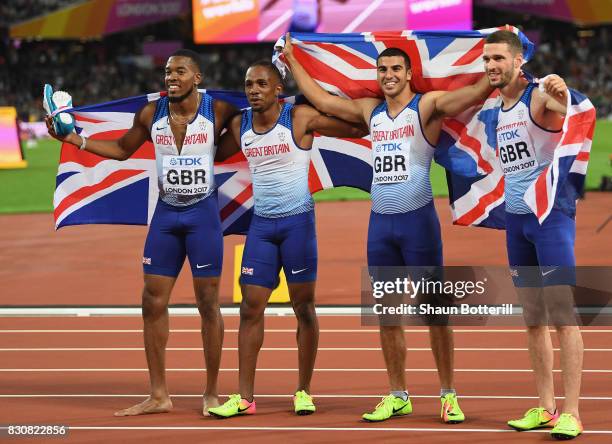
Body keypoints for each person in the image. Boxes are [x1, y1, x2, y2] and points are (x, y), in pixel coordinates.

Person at [282, 33, 494, 423]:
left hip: (418, 222)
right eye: (382, 69)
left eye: (396, 68)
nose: (388, 75)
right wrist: (293, 59)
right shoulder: (370, 110)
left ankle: (448, 394)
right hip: (380, 225)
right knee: (388, 314)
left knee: (435, 312)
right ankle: (398, 393)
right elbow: (324, 101)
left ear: (410, 73)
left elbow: (470, 95)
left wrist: (496, 65)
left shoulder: (426, 105)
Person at [45, 49, 238, 417]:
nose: (171, 77)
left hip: (203, 217)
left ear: (197, 78)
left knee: (208, 305)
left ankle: (211, 393)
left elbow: (254, 127)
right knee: (151, 301)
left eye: (180, 71)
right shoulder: (151, 114)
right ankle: (159, 394)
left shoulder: (220, 111)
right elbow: (121, 149)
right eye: (167, 72)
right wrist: (74, 141)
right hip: (166, 216)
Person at [207, 60, 366, 418]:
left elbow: (356, 129)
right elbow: (206, 152)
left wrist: (347, 106)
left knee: (304, 308)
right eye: (249, 84)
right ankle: (245, 397)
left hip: (298, 224)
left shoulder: (299, 119)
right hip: (262, 226)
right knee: (250, 308)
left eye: (262, 83)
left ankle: (303, 391)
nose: (254, 90)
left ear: (278, 89)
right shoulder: (238, 124)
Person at [483, 30, 584, 440]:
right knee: (532, 319)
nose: (491, 65)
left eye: (498, 59)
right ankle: (545, 407)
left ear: (518, 60)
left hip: (550, 220)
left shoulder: (536, 96)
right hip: (517, 225)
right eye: (487, 59)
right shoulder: (498, 106)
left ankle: (573, 413)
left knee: (563, 316)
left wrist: (566, 91)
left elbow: (577, 112)